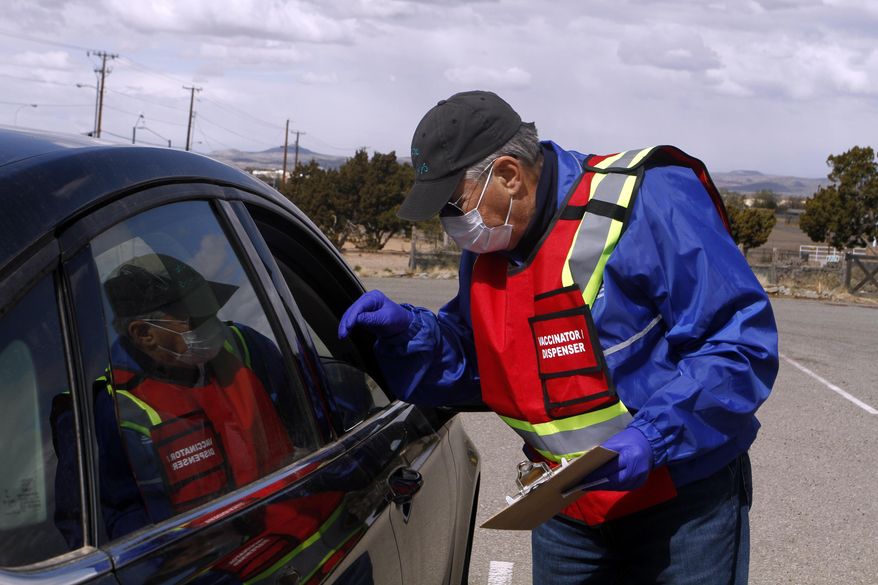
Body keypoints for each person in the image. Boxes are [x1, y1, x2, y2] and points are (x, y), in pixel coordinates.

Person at [338, 91, 779, 584]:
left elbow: (738, 345)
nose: (449, 224)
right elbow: (482, 362)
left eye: (452, 203)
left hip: (681, 501)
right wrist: (411, 332)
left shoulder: (650, 200)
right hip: (569, 509)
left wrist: (653, 438)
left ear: (508, 174)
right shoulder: (492, 243)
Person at [53, 253, 296, 544]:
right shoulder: (103, 412)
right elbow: (103, 532)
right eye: (196, 318)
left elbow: (316, 418)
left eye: (212, 312)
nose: (214, 326)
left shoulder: (246, 348)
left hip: (292, 538)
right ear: (144, 334)